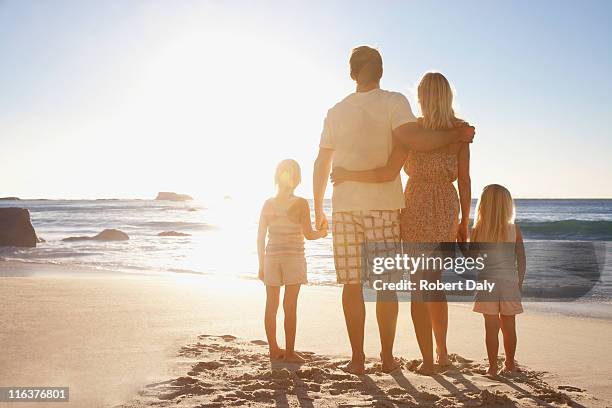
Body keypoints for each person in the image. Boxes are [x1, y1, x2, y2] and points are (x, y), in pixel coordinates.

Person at [313, 46, 475, 375]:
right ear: (382, 71)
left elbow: (326, 163)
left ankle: (371, 359)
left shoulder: (341, 112)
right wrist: (456, 135)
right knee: (405, 284)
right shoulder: (402, 110)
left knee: (369, 283)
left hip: (373, 205)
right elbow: (424, 152)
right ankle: (406, 357)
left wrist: (320, 205)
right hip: (401, 206)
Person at [257, 159, 328, 362]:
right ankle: (289, 352)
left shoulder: (268, 204)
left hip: (272, 257)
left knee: (271, 305)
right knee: (290, 306)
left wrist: (261, 264)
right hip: (293, 258)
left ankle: (273, 349)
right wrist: (323, 232)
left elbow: (261, 236)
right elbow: (309, 234)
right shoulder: (300, 204)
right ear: (296, 180)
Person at [470, 184, 526, 377]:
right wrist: (520, 282)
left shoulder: (477, 231)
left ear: (483, 206)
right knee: (509, 325)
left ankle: (492, 367)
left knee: (491, 328)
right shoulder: (515, 230)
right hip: (509, 283)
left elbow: (472, 259)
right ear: (507, 206)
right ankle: (509, 364)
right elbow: (521, 258)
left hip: (487, 284)